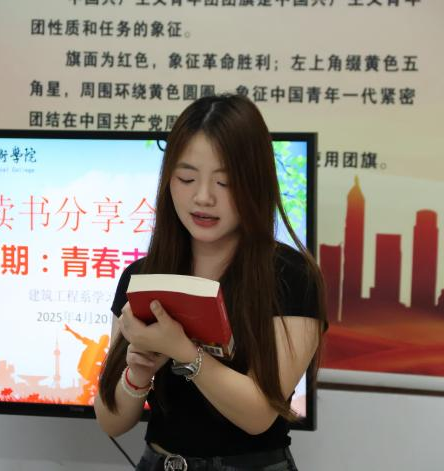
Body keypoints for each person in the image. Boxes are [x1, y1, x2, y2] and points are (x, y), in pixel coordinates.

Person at [93, 94, 327, 471]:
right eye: (186, 178)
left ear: (255, 184)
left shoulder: (291, 277)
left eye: (225, 182)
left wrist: (183, 352)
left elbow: (258, 415)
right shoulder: (142, 277)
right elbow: (111, 421)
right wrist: (137, 374)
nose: (203, 197)